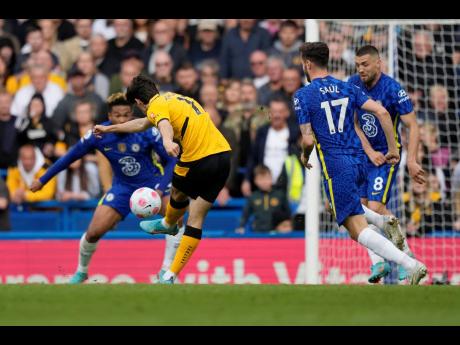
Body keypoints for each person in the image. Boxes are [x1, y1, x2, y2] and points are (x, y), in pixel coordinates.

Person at [293, 41, 427, 285]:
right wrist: (393, 148)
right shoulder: (347, 87)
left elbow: (308, 139)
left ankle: (411, 264)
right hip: (359, 160)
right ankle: (383, 222)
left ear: (308, 64)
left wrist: (304, 155)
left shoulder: (303, 95)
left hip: (336, 165)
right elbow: (383, 113)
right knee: (343, 208)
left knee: (356, 228)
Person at [93, 75, 231, 284]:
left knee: (176, 189)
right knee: (195, 217)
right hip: (222, 157)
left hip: (198, 159)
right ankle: (171, 275)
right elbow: (141, 124)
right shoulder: (172, 99)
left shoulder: (156, 106)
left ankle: (168, 223)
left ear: (139, 102)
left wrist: (166, 141)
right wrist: (108, 128)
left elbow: (163, 124)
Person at [30, 93, 178, 284]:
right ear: (109, 115)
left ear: (132, 114)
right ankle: (81, 272)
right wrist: (43, 179)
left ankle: (166, 273)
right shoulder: (99, 133)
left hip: (152, 184)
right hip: (122, 188)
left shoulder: (146, 130)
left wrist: (159, 188)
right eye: (118, 115)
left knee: (176, 220)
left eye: (126, 115)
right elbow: (70, 156)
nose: (123, 119)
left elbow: (172, 159)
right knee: (93, 232)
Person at [349, 45, 426, 283]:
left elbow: (412, 125)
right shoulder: (352, 83)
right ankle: (379, 262)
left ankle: (407, 257)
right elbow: (354, 123)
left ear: (378, 63)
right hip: (365, 155)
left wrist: (412, 161)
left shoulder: (393, 89)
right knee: (358, 210)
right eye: (358, 65)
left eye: (365, 64)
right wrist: (368, 150)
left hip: (388, 155)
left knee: (376, 206)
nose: (360, 69)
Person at [236, 165, 292, 234]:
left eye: (266, 178)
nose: (264, 182)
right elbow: (245, 215)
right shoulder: (253, 197)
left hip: (276, 233)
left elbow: (288, 214)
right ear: (255, 180)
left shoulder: (280, 195)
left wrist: (284, 225)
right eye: (260, 179)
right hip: (257, 232)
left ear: (271, 179)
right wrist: (241, 226)